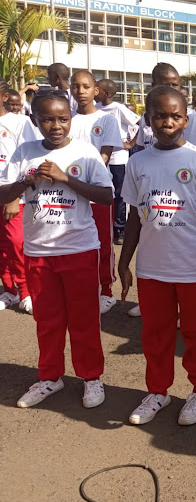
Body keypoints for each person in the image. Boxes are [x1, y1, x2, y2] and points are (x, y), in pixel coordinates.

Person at [119, 86, 196, 427]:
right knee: (156, 333)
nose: (168, 122)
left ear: (186, 118)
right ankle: (158, 391)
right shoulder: (138, 162)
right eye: (160, 115)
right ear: (148, 118)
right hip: (153, 268)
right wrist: (124, 261)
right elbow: (135, 216)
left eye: (175, 115)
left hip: (192, 266)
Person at [1, 91, 113, 409]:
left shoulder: (85, 153)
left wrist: (65, 178)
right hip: (39, 252)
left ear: (71, 119)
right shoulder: (25, 152)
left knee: (84, 319)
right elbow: (3, 193)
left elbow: (106, 196)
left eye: (63, 119)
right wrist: (27, 180)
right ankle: (50, 377)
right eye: (47, 119)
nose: (56, 126)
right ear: (35, 120)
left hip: (79, 249)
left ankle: (91, 378)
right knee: (47, 320)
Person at [69, 71, 123, 314]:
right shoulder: (66, 118)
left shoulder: (107, 120)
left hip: (98, 192)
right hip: (70, 192)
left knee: (103, 242)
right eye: (76, 86)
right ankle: (82, 287)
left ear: (95, 91)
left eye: (86, 86)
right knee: (74, 243)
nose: (80, 90)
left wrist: (85, 180)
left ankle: (106, 291)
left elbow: (104, 156)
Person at [0, 80, 38, 313]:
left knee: (16, 243)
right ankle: (9, 290)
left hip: (11, 193)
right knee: (2, 245)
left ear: (3, 96)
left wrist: (14, 197)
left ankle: (26, 291)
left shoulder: (19, 122)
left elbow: (28, 160)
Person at [95, 79, 140, 245]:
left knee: (120, 195)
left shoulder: (118, 108)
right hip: (99, 159)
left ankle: (119, 228)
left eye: (97, 89)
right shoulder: (95, 109)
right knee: (103, 193)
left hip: (118, 159)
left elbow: (140, 122)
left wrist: (131, 143)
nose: (94, 91)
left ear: (106, 93)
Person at [135, 63, 196, 151]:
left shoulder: (190, 115)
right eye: (165, 85)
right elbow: (141, 146)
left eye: (175, 85)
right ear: (154, 85)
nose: (171, 89)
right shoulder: (148, 115)